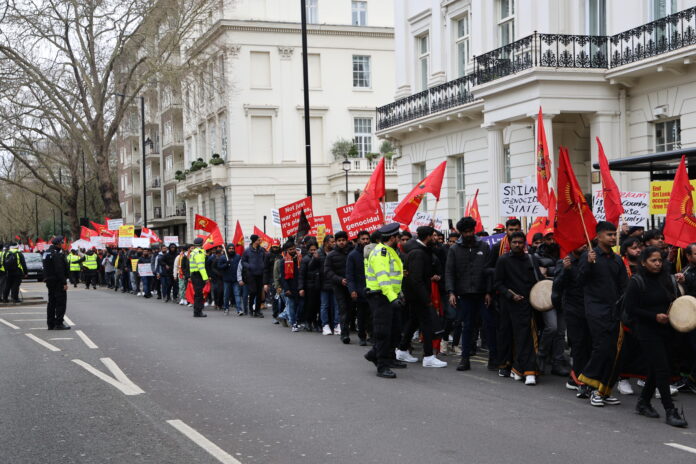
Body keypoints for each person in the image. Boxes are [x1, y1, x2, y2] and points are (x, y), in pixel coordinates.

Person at [624, 246, 688, 428]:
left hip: (666, 330)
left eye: (660, 260)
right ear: (643, 262)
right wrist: (653, 317)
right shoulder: (636, 281)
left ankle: (643, 402)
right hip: (646, 331)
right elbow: (631, 309)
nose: (658, 263)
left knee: (655, 367)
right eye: (653, 260)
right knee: (662, 369)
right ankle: (670, 410)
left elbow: (674, 301)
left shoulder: (666, 279)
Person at [577, 221, 628, 407]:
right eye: (609, 235)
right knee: (603, 348)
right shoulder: (589, 256)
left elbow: (624, 285)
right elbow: (580, 281)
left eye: (614, 234)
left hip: (615, 311)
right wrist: (588, 265)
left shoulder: (616, 259)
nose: (613, 237)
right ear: (598, 236)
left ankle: (604, 390)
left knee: (614, 351)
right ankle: (590, 386)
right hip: (596, 311)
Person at [446, 217, 495, 371]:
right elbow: (449, 272)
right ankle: (465, 359)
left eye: (471, 231)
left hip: (482, 294)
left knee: (489, 325)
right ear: (461, 232)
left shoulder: (484, 246)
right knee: (467, 326)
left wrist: (488, 291)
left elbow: (489, 271)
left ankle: (493, 359)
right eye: (465, 232)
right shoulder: (454, 249)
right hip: (465, 294)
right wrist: (451, 292)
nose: (469, 234)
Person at [494, 231, 542, 385]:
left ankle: (528, 371)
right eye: (514, 242)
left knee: (526, 338)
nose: (517, 245)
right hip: (509, 306)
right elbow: (498, 283)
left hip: (528, 305)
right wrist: (510, 295)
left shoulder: (531, 259)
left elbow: (539, 281)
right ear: (509, 243)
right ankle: (516, 368)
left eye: (520, 242)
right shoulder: (503, 260)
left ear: (524, 244)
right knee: (510, 338)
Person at [397, 226, 447, 368]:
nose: (435, 238)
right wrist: (426, 299)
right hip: (419, 295)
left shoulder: (421, 250)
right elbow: (416, 279)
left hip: (415, 294)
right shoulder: (418, 253)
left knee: (413, 322)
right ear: (427, 237)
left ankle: (401, 350)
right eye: (433, 235)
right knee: (426, 324)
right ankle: (428, 356)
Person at [364, 223, 404, 379]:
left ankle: (376, 354)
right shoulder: (381, 253)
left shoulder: (389, 251)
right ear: (392, 238)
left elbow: (395, 276)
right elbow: (383, 278)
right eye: (398, 237)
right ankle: (382, 366)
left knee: (394, 330)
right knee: (383, 332)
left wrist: (399, 294)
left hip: (390, 296)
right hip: (381, 296)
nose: (399, 239)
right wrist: (393, 297)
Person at [554, 245, 592, 395]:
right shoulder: (564, 261)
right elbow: (557, 285)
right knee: (578, 344)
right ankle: (575, 378)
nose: (582, 245)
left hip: (589, 307)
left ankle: (587, 376)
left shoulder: (589, 258)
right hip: (572, 308)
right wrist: (565, 270)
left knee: (589, 343)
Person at [487, 218, 522, 377]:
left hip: (522, 296)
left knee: (521, 332)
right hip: (503, 295)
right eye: (511, 230)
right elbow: (487, 269)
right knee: (504, 331)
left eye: (516, 230)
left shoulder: (525, 250)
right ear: (506, 231)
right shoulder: (496, 248)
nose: (514, 233)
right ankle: (503, 363)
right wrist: (502, 270)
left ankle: (519, 363)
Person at [324, 231, 352, 343]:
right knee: (343, 309)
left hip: (352, 286)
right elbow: (327, 271)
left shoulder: (352, 252)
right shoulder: (331, 255)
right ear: (336, 242)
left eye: (343, 240)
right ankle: (344, 334)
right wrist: (340, 280)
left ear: (347, 240)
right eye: (339, 240)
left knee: (351, 310)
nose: (341, 242)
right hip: (338, 287)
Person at [346, 230, 371, 346]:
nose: (365, 241)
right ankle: (362, 336)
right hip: (360, 290)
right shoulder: (353, 255)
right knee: (361, 315)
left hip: (372, 289)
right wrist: (353, 290)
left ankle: (372, 335)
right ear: (358, 240)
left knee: (372, 315)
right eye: (363, 239)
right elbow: (350, 275)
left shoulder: (373, 253)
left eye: (367, 239)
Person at [42, 236, 70, 330]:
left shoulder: (46, 253)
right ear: (58, 244)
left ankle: (50, 323)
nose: (63, 245)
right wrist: (64, 282)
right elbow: (59, 270)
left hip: (49, 281)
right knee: (60, 303)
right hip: (57, 281)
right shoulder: (56, 254)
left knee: (51, 303)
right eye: (62, 243)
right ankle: (59, 323)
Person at [280, 241, 303, 332]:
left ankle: (297, 320)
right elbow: (282, 277)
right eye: (290, 249)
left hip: (300, 286)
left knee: (301, 305)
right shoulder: (283, 261)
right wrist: (286, 289)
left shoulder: (300, 259)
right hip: (290, 287)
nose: (293, 250)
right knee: (292, 306)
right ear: (287, 250)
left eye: (294, 248)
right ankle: (293, 323)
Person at [299, 242, 322, 332]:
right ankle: (308, 322)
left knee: (318, 305)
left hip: (319, 285)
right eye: (311, 250)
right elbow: (301, 275)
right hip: (309, 286)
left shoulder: (320, 258)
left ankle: (316, 322)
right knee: (310, 305)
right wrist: (301, 288)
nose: (313, 251)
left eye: (314, 249)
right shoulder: (305, 259)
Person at [242, 234, 266, 317]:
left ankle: (257, 311)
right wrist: (249, 266)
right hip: (251, 274)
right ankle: (251, 308)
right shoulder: (247, 251)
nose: (260, 241)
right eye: (259, 240)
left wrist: (263, 266)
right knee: (253, 292)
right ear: (255, 241)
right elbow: (243, 261)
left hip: (260, 274)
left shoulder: (262, 250)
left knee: (259, 293)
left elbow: (264, 260)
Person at [218, 244, 242, 314]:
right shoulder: (223, 257)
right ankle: (226, 308)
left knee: (237, 294)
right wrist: (226, 264)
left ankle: (239, 310)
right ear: (227, 249)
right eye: (230, 248)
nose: (231, 250)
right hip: (227, 280)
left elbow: (241, 266)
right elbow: (219, 266)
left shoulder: (237, 257)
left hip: (235, 279)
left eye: (232, 248)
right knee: (226, 295)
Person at [264, 239, 284, 320]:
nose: (275, 249)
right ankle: (275, 315)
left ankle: (282, 314)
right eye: (274, 247)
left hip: (281, 279)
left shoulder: (282, 255)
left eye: (276, 247)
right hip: (272, 279)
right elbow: (265, 269)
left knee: (282, 298)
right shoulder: (268, 256)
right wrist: (265, 283)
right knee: (275, 298)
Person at [190, 237, 209, 317]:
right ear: (201, 244)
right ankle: (198, 312)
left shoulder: (193, 252)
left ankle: (196, 311)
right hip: (198, 275)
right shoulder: (199, 253)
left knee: (197, 294)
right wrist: (205, 278)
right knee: (199, 294)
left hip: (194, 275)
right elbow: (201, 266)